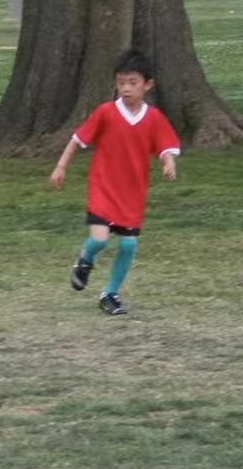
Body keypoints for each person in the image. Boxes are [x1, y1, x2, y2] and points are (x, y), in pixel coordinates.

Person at [50, 49, 180, 315]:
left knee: (128, 244)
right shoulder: (106, 112)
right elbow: (78, 139)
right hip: (103, 188)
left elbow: (165, 146)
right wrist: (60, 167)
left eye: (133, 83)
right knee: (99, 240)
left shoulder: (154, 118)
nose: (126, 89)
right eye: (121, 83)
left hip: (132, 193)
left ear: (148, 84)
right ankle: (85, 261)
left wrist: (169, 161)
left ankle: (110, 294)